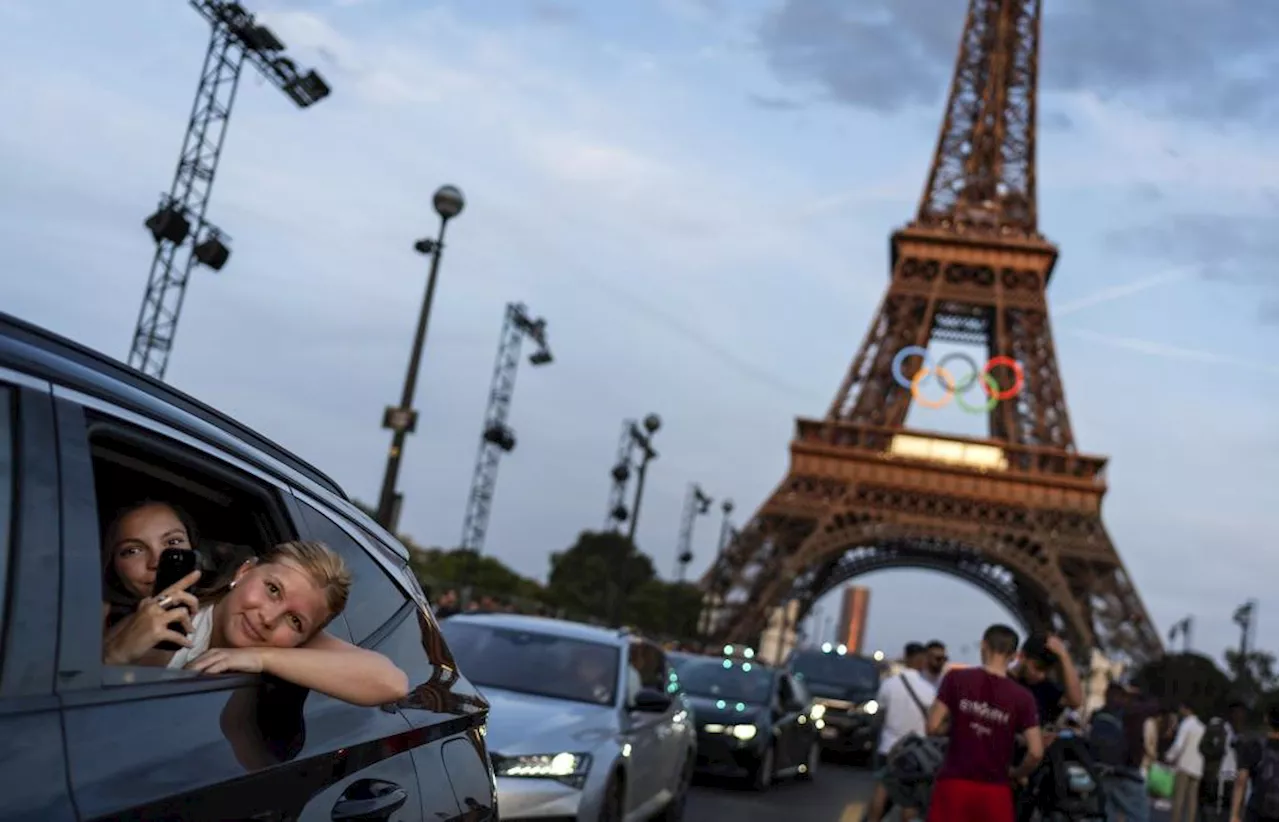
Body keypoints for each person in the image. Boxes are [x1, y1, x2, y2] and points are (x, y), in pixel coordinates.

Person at [107, 540, 409, 707]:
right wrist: (116, 654)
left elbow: (392, 683)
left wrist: (260, 657)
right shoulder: (163, 621)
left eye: (294, 621)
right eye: (273, 589)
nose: (268, 618)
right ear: (245, 571)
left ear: (305, 639)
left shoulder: (281, 648)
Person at [925, 624, 1043, 822]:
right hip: (995, 790)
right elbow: (1036, 752)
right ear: (1014, 656)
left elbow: (933, 727)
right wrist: (1016, 773)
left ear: (983, 645)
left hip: (954, 784)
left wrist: (960, 723)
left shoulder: (955, 679)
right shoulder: (1023, 697)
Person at [867, 642, 937, 822]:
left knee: (880, 793)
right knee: (911, 801)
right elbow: (933, 724)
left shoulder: (888, 685)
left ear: (906, 658)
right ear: (922, 661)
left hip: (888, 748)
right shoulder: (929, 690)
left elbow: (878, 718)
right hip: (917, 753)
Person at [1091, 683, 1154, 822]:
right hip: (1126, 772)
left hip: (1101, 770)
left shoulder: (1098, 714)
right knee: (1139, 814)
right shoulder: (1132, 714)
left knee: (1104, 812)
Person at [1012, 633, 1084, 731]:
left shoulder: (1046, 690)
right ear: (1022, 656)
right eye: (1037, 667)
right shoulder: (1003, 681)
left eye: (1046, 670)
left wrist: (1064, 656)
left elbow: (1075, 701)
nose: (1042, 675)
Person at [1229, 703, 1280, 822]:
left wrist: (1235, 814)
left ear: (1266, 719)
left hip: (1257, 810)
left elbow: (1241, 781)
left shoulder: (1254, 745)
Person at [1166, 700, 1207, 822]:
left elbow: (1179, 745)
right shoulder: (1202, 727)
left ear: (1186, 709)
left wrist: (1169, 757)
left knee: (1179, 799)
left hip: (1184, 765)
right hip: (1198, 767)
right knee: (1192, 800)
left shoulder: (1186, 724)